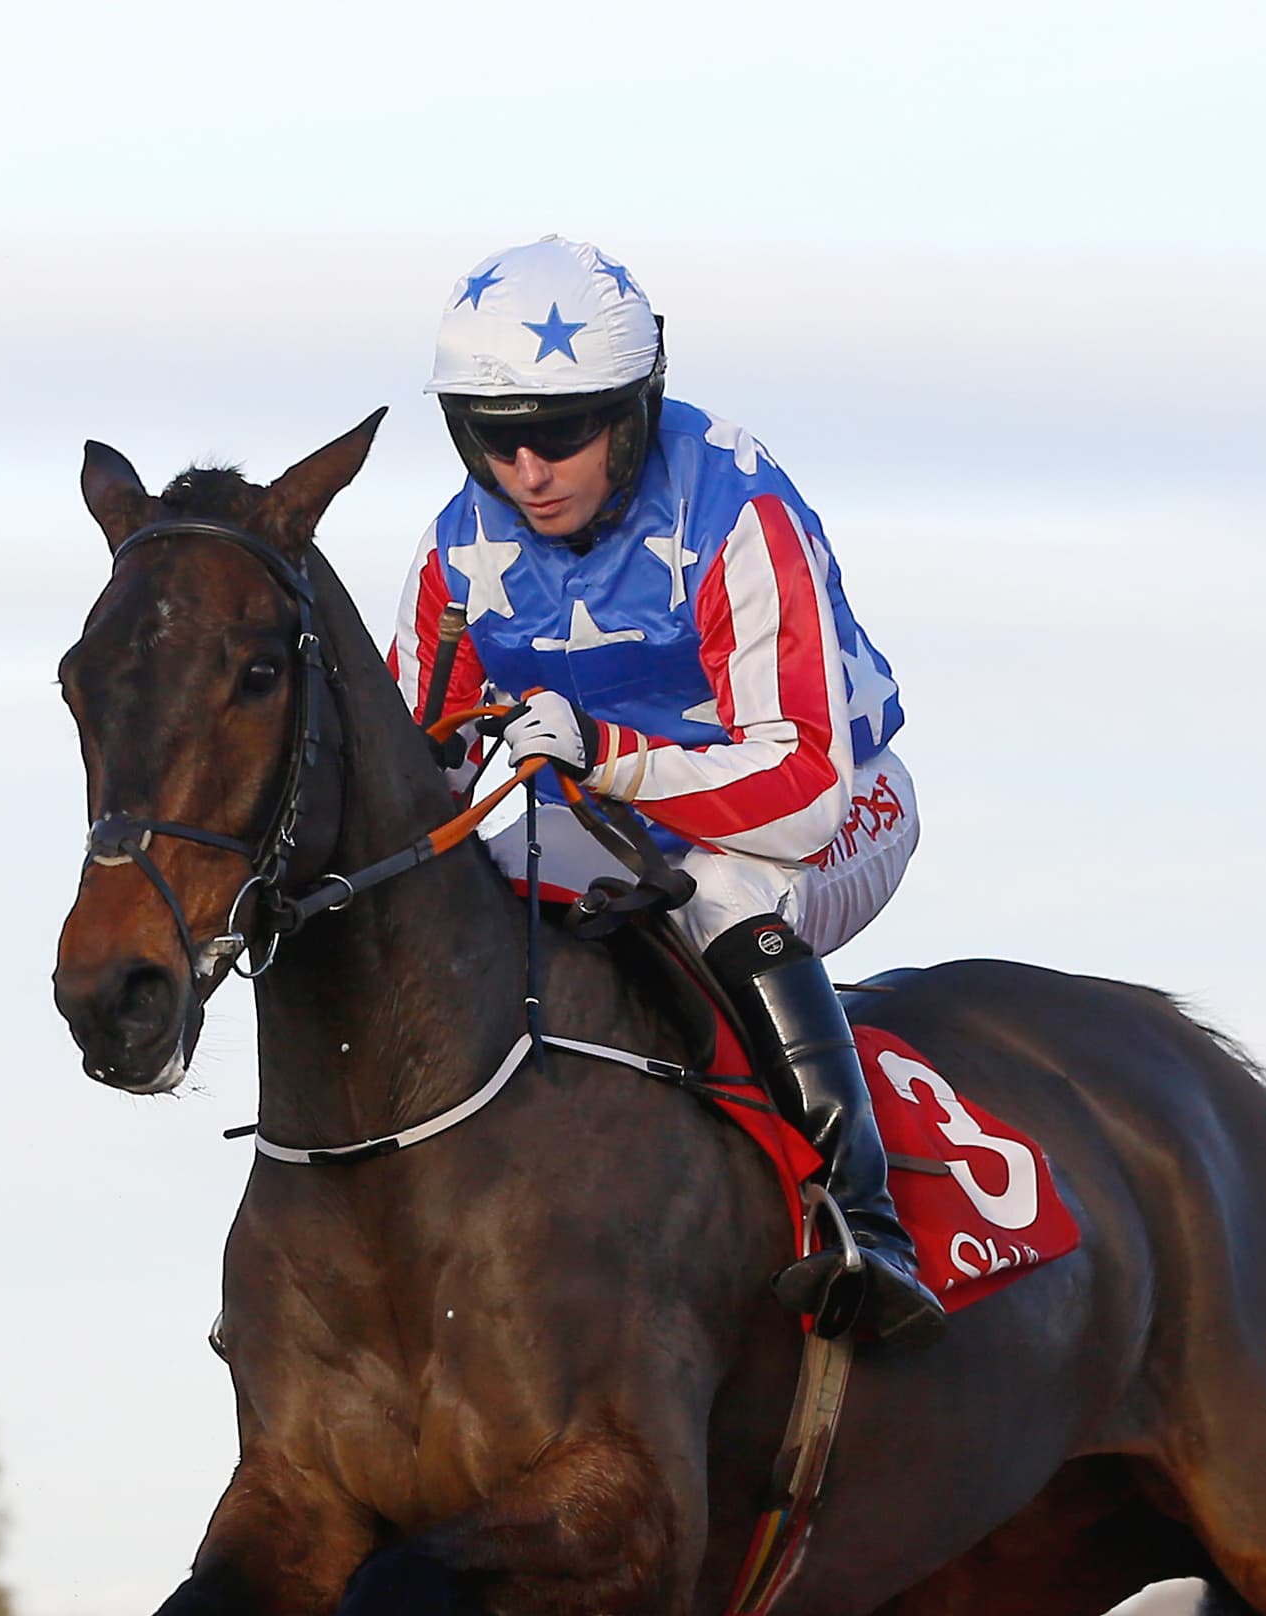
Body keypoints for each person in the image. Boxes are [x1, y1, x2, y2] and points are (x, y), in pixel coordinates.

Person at [386, 236, 947, 1348]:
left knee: (720, 897)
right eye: (494, 442)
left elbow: (799, 794)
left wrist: (601, 750)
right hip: (611, 816)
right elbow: (420, 780)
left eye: (558, 436)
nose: (527, 473)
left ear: (633, 414)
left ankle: (865, 1227)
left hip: (828, 804)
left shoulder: (736, 511)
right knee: (466, 919)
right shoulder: (457, 551)